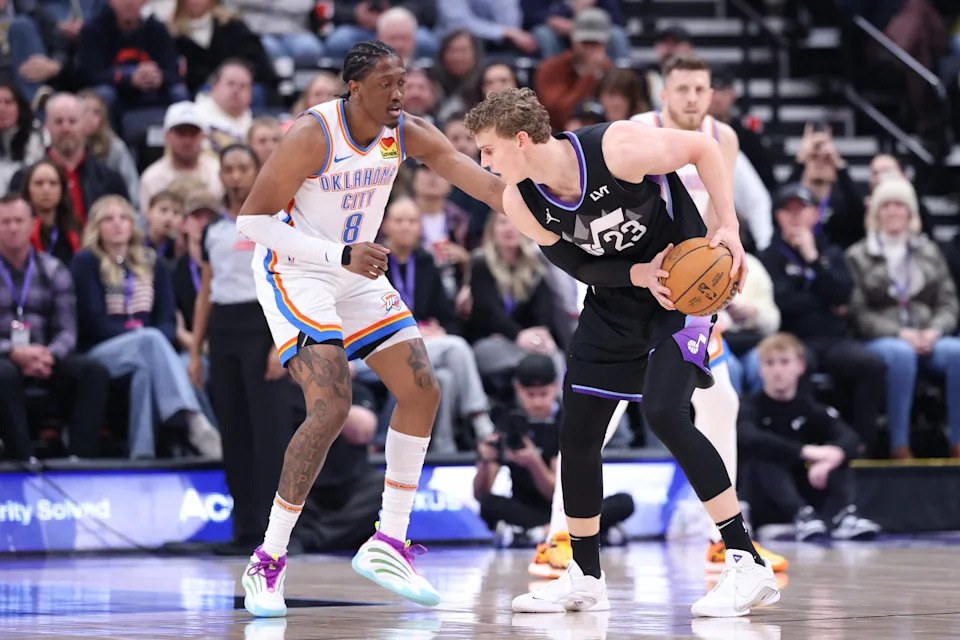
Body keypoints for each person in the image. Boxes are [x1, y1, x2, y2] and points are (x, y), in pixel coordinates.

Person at [464, 87, 778, 617]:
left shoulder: (616, 147)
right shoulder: (521, 201)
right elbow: (578, 265)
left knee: (665, 412)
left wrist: (727, 225)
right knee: (579, 432)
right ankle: (585, 575)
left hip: (683, 290)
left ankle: (746, 562)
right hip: (615, 300)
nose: (484, 162)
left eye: (488, 151)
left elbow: (702, 150)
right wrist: (634, 273)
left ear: (521, 140)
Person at [234, 41, 504, 617]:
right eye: (387, 84)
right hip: (298, 269)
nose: (399, 93)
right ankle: (268, 558)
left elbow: (470, 176)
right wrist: (339, 257)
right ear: (354, 87)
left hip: (357, 267)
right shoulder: (313, 134)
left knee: (423, 389)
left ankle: (388, 541)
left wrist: (546, 202)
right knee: (331, 406)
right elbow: (253, 221)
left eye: (402, 82)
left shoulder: (403, 131)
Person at [631, 53, 786, 573]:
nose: (694, 98)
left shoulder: (725, 137)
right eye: (683, 89)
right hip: (638, 285)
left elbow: (725, 217)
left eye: (701, 88)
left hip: (692, 295)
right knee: (599, 415)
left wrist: (731, 264)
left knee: (721, 402)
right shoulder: (637, 131)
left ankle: (724, 537)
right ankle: (557, 535)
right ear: (664, 94)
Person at [187, 144, 293, 554]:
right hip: (225, 330)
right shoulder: (213, 229)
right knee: (234, 432)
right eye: (228, 169)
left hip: (264, 326)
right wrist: (197, 351)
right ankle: (243, 529)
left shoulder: (274, 221)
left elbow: (284, 281)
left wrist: (279, 344)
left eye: (242, 168)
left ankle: (277, 534)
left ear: (256, 172)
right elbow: (205, 295)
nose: (234, 176)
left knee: (270, 433)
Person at [70, 194, 221, 459]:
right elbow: (93, 321)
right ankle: (193, 420)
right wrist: (139, 336)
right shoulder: (86, 262)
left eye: (123, 218)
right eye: (108, 219)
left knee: (149, 370)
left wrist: (146, 338)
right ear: (96, 227)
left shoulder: (153, 263)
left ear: (132, 224)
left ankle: (143, 453)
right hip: (102, 352)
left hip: (149, 350)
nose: (117, 224)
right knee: (149, 341)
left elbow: (166, 320)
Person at [755, 184, 885, 453]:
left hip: (834, 338)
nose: (795, 217)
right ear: (778, 217)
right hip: (793, 338)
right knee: (798, 365)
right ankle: (800, 444)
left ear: (815, 214)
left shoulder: (831, 253)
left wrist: (813, 259)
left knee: (870, 364)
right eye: (788, 211)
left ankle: (860, 446)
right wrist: (824, 301)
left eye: (802, 210)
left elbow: (842, 295)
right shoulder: (770, 256)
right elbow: (782, 302)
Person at [846, 178, 960, 459]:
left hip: (928, 334)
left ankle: (957, 441)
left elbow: (948, 302)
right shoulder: (857, 255)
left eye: (900, 205)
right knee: (901, 355)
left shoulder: (930, 251)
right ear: (876, 213)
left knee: (957, 352)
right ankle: (900, 444)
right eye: (886, 205)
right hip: (884, 339)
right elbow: (859, 313)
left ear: (911, 213)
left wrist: (935, 330)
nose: (894, 211)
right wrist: (900, 334)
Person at [474, 354, 634, 546]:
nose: (538, 402)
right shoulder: (509, 423)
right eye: (530, 395)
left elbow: (561, 495)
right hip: (526, 509)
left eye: (543, 394)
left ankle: (537, 533)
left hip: (566, 508)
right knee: (489, 506)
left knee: (624, 502)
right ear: (518, 389)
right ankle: (579, 533)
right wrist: (485, 461)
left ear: (555, 386)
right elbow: (481, 494)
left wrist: (534, 463)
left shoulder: (569, 423)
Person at [739, 333, 881, 541]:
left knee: (834, 453)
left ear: (800, 366)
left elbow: (850, 438)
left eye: (785, 362)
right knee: (767, 455)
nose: (777, 370)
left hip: (806, 490)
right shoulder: (749, 406)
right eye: (770, 363)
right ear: (760, 369)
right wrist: (804, 451)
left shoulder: (810, 408)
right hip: (761, 497)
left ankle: (844, 515)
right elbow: (748, 437)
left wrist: (832, 456)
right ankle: (800, 514)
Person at [0, 194, 110, 460]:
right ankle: (22, 459)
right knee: (3, 374)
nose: (12, 227)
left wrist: (50, 354)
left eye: (18, 221)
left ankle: (80, 458)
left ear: (31, 225)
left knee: (92, 371)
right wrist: (13, 351)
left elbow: (68, 329)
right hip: (4, 357)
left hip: (45, 355)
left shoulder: (53, 269)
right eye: (5, 222)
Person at [381, 197, 493, 453]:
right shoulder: (374, 262)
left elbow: (448, 318)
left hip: (421, 346)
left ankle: (443, 447)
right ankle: (480, 419)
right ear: (386, 225)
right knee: (456, 349)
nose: (406, 227)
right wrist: (411, 332)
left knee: (444, 377)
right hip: (381, 346)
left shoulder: (426, 263)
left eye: (412, 221)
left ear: (419, 227)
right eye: (399, 221)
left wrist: (440, 330)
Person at [534, 8, 613, 130]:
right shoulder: (551, 68)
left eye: (596, 43)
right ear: (573, 40)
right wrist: (589, 75)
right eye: (585, 42)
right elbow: (557, 115)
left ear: (606, 44)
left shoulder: (612, 72)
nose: (590, 48)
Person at [139, 101, 223, 214]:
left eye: (193, 133)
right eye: (181, 133)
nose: (187, 141)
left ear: (203, 136)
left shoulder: (218, 172)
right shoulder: (152, 178)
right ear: (167, 136)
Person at [20, 160, 81, 266]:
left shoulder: (75, 232)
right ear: (28, 189)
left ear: (62, 190)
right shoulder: (18, 231)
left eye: (53, 183)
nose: (46, 189)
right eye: (39, 183)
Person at [143, 190, 184, 265]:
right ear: (148, 212)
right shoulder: (134, 242)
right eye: (163, 210)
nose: (169, 218)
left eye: (176, 212)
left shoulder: (178, 250)